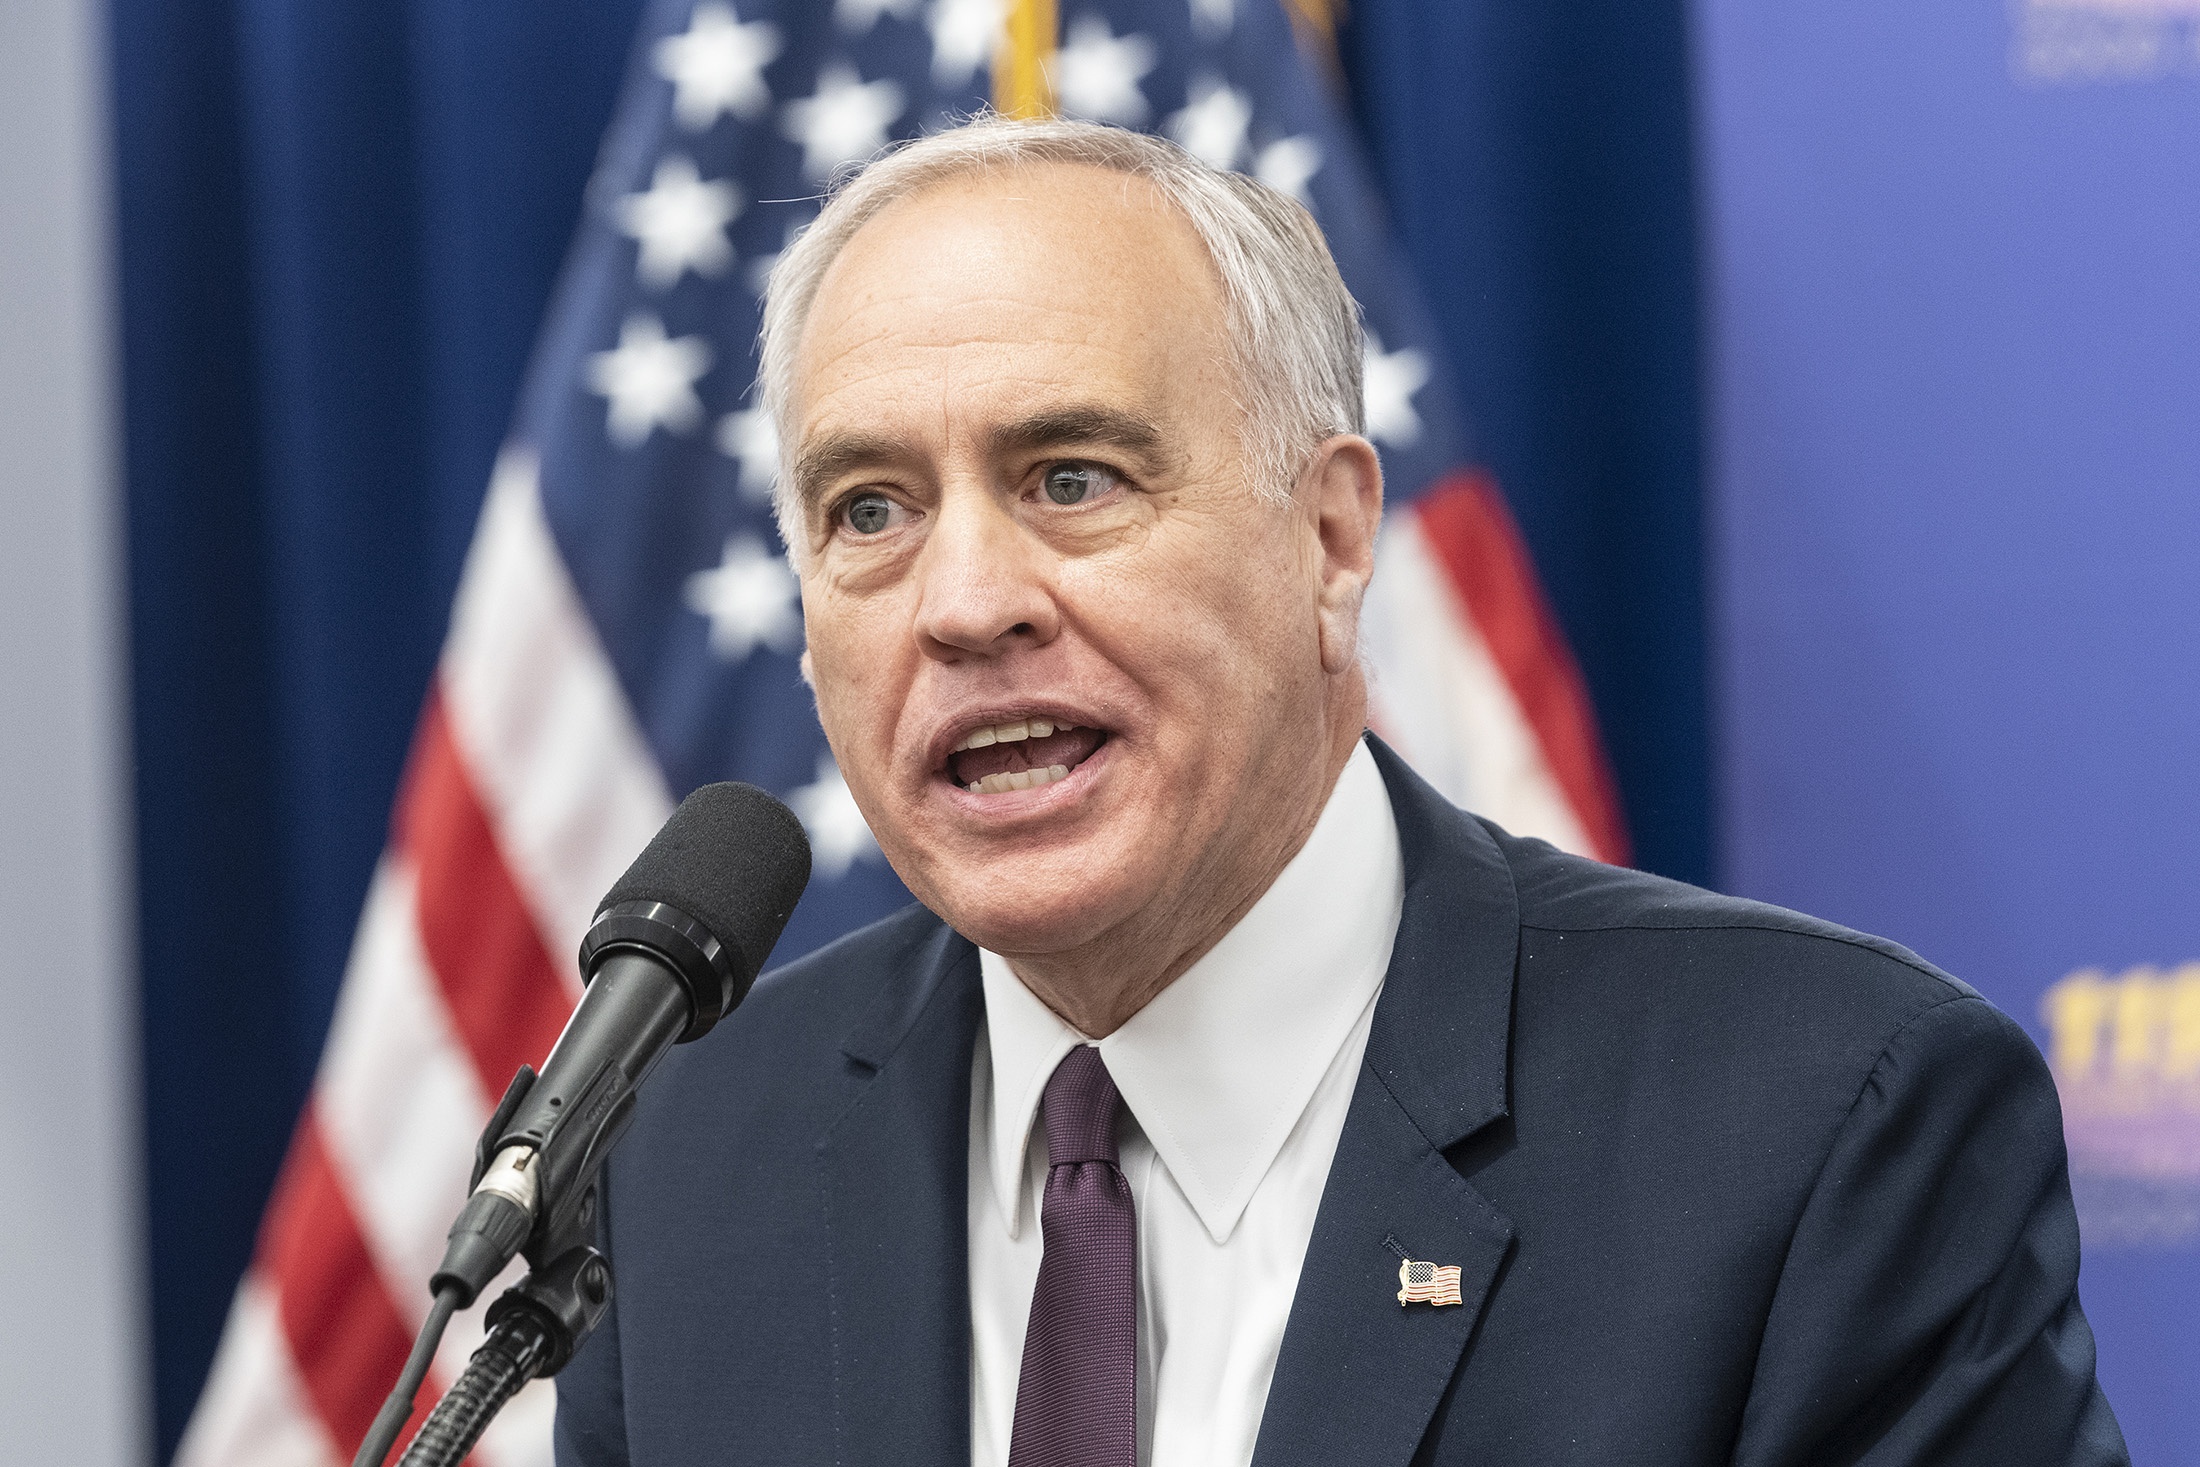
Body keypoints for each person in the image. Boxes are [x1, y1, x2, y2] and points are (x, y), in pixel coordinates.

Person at [551, 116, 2127, 1467]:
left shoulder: (1820, 1126)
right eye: (869, 509)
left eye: (1073, 479)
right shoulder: (689, 1154)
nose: (964, 603)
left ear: (1331, 538)